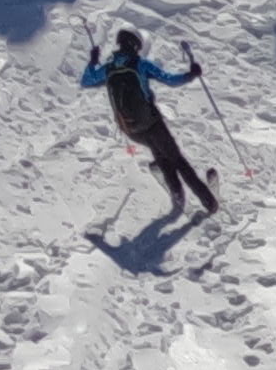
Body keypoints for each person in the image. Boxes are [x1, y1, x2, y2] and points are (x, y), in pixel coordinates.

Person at [81, 27, 217, 223]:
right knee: (177, 160)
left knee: (162, 157)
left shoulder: (109, 67)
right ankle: (209, 202)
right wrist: (191, 74)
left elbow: (87, 79)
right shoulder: (140, 64)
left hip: (130, 129)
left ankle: (177, 196)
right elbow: (169, 79)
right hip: (151, 123)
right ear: (136, 46)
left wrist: (93, 61)